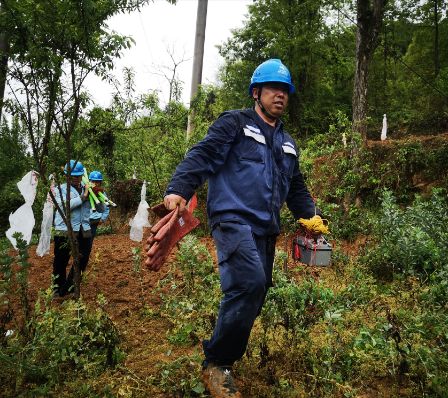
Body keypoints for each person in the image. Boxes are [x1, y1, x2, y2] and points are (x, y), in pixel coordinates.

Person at [158, 59, 319, 398]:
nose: (280, 95)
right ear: (256, 92)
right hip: (232, 220)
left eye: (285, 90)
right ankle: (217, 364)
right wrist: (178, 189)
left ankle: (222, 352)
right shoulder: (235, 124)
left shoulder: (288, 143)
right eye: (274, 89)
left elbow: (297, 188)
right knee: (249, 283)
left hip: (265, 228)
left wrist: (312, 218)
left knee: (255, 294)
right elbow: (201, 156)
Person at [52, 160, 98, 297]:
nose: (77, 179)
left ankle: (71, 287)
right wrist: (82, 197)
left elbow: (99, 207)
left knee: (82, 259)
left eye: (79, 176)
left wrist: (98, 197)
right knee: (61, 259)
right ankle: (57, 289)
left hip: (84, 229)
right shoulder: (61, 189)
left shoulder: (87, 187)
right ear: (67, 175)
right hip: (65, 230)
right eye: (74, 176)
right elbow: (62, 206)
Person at [88, 170, 110, 239]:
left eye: (97, 182)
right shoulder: (86, 191)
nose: (95, 184)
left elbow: (106, 207)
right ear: (89, 181)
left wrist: (102, 219)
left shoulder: (102, 193)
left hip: (95, 219)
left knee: (90, 238)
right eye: (93, 181)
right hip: (85, 219)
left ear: (100, 182)